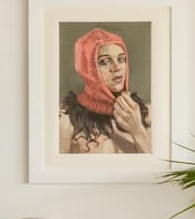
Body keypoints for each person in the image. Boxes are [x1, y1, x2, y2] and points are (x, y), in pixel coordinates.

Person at [59, 26, 152, 154]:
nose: (117, 67)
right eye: (105, 62)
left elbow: (158, 167)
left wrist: (138, 131)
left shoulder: (146, 112)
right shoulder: (67, 119)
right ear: (87, 69)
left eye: (121, 59)